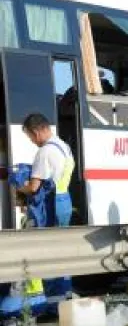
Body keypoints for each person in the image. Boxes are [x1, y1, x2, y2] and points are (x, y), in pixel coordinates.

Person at [14, 113, 76, 310]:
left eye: (30, 137)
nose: (32, 142)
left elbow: (33, 187)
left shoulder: (44, 152)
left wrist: (18, 187)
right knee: (62, 250)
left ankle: (51, 302)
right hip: (64, 201)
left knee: (46, 251)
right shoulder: (64, 147)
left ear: (36, 131)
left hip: (49, 205)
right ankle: (64, 294)